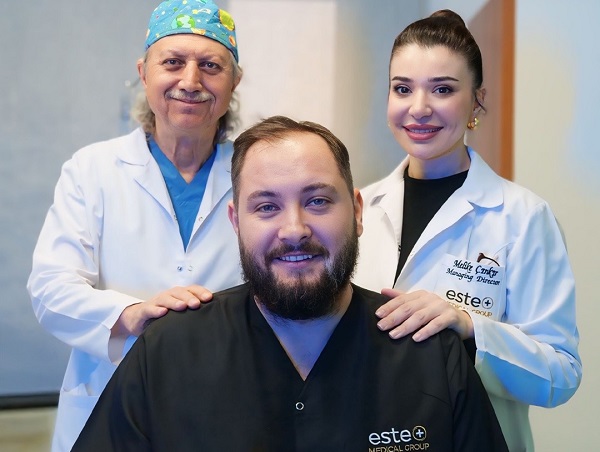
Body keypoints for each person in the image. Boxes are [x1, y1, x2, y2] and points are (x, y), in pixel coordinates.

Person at [72, 116, 508, 451]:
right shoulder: (168, 351)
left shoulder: (429, 353)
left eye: (317, 201)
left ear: (358, 212)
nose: (294, 229)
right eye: (266, 207)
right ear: (236, 222)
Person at [352, 10, 582, 451]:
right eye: (403, 88)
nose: (419, 108)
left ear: (477, 101)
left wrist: (470, 327)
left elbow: (560, 374)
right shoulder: (359, 206)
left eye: (442, 89)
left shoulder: (523, 217)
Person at [26, 1, 243, 450]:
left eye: (210, 66)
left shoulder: (257, 171)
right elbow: (49, 288)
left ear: (234, 81)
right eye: (172, 63)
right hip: (111, 399)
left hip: (228, 400)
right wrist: (129, 315)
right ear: (144, 73)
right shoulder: (92, 169)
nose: (191, 81)